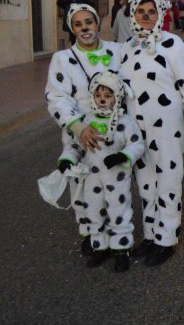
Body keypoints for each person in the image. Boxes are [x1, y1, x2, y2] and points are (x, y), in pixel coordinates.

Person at [119, 0, 184, 267]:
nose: (146, 16)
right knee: (145, 184)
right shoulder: (127, 47)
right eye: (141, 12)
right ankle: (150, 233)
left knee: (168, 182)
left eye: (151, 12)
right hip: (137, 129)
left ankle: (167, 237)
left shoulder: (173, 45)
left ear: (160, 14)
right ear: (134, 14)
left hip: (168, 127)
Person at [45, 2, 122, 256]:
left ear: (97, 23)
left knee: (113, 184)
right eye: (78, 24)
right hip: (79, 133)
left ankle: (116, 232)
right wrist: (78, 127)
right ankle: (89, 232)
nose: (84, 28)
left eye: (88, 22)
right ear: (71, 28)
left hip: (112, 132)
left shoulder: (117, 51)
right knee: (81, 183)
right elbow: (56, 97)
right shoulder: (62, 59)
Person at [57, 71, 145, 272]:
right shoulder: (85, 121)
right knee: (93, 211)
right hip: (91, 176)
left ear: (117, 96)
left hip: (116, 177)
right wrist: (67, 160)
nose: (103, 99)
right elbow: (75, 146)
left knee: (118, 211)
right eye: (98, 96)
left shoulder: (125, 122)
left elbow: (137, 145)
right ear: (92, 97)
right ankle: (100, 246)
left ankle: (121, 248)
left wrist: (123, 156)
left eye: (108, 95)